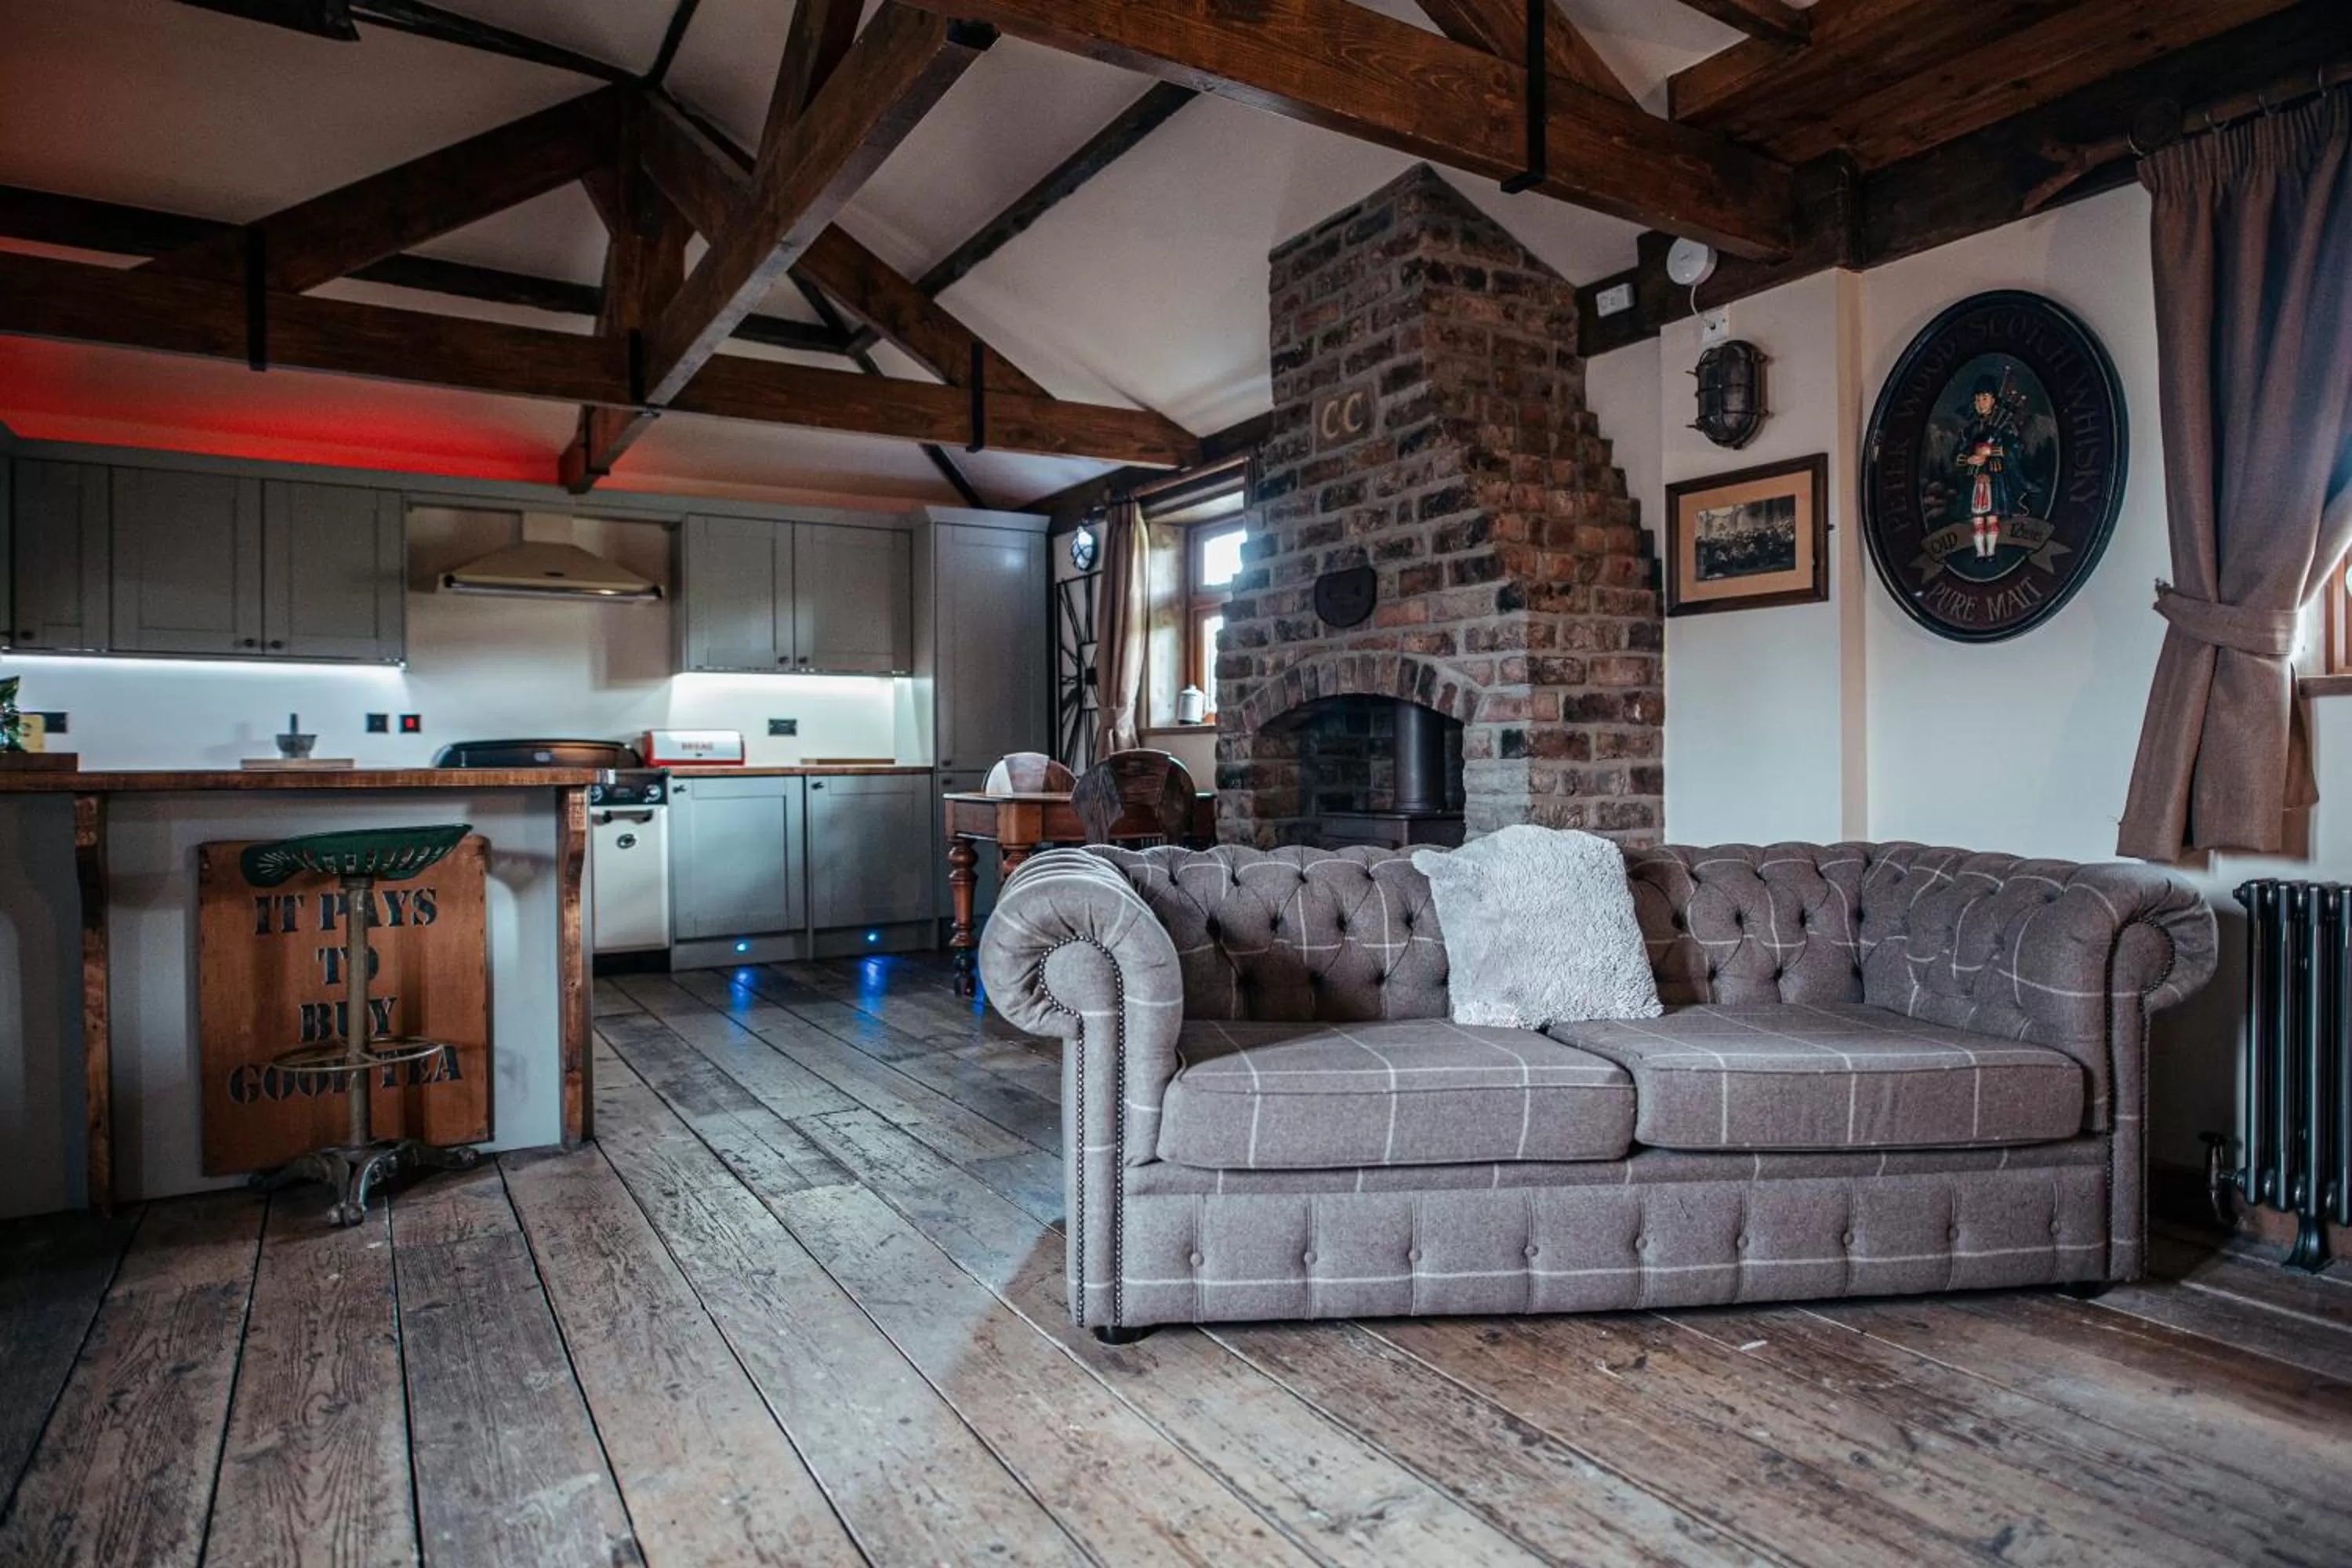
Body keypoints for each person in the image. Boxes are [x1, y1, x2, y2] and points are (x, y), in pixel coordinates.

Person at [1957, 373, 2025, 561]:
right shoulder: (1969, 430)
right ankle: (1980, 552)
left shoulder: (2005, 427)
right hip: (1974, 478)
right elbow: (1958, 455)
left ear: (1994, 400)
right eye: (1978, 399)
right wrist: (1969, 459)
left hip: (1996, 477)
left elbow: (2016, 449)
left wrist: (1991, 450)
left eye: (1985, 398)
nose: (1980, 403)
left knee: (1992, 515)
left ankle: (1991, 552)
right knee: (1977, 518)